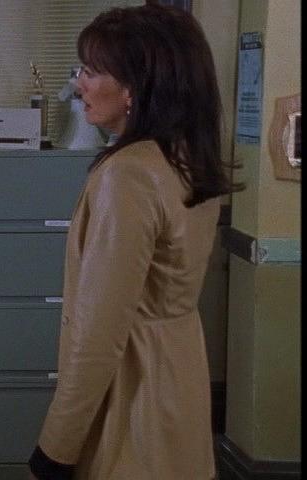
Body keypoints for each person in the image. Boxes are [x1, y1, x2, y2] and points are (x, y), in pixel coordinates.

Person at [27, 4, 242, 479]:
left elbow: (99, 333)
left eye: (91, 70)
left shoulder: (128, 174)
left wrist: (55, 449)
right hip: (179, 385)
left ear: (133, 88)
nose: (79, 84)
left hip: (132, 399)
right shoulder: (185, 158)